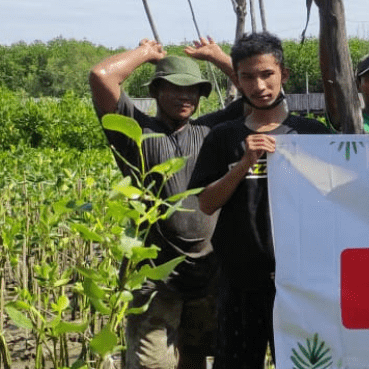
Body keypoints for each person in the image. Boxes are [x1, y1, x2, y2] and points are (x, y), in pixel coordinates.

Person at [89, 37, 242, 369]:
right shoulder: (135, 132)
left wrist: (217, 57)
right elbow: (102, 75)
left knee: (196, 358)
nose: (185, 96)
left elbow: (255, 92)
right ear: (156, 91)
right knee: (151, 364)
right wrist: (145, 54)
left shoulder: (211, 131)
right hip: (153, 280)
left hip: (206, 272)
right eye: (174, 88)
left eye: (193, 90)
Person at [189, 32, 330, 369]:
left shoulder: (313, 135)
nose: (259, 85)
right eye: (248, 77)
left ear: (284, 74)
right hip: (240, 282)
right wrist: (242, 166)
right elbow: (206, 203)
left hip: (302, 282)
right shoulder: (224, 137)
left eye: (267, 74)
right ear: (236, 80)